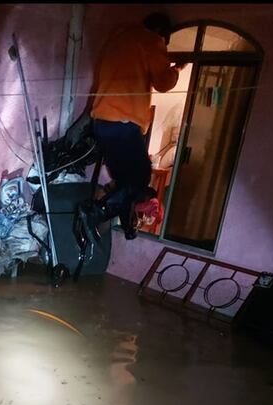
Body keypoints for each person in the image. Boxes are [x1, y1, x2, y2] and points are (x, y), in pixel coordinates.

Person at [83, 13, 181, 239]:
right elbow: (164, 82)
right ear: (160, 33)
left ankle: (126, 222)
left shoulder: (118, 37)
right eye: (165, 41)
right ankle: (95, 214)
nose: (163, 46)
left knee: (126, 183)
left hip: (102, 121)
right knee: (140, 177)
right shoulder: (150, 40)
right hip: (123, 121)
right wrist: (175, 70)